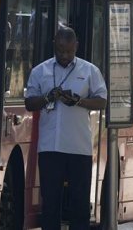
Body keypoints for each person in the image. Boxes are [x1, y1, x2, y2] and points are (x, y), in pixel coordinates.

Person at [25, 27, 107, 230]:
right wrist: (47, 98)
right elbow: (29, 103)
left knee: (79, 204)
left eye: (69, 51)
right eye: (60, 50)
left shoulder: (89, 71)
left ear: (76, 46)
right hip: (50, 148)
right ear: (54, 45)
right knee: (50, 202)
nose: (64, 55)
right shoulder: (40, 71)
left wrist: (78, 101)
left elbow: (102, 101)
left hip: (79, 148)